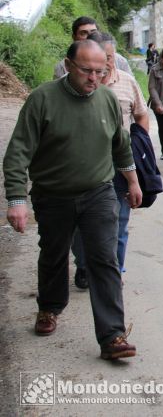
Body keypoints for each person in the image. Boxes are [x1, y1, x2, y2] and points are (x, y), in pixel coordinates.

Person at [3, 39, 141, 360]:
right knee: (53, 253)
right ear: (68, 65)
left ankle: (113, 336)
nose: (94, 77)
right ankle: (49, 308)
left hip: (98, 192)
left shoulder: (106, 99)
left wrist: (133, 181)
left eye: (100, 71)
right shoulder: (42, 99)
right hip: (53, 195)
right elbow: (18, 152)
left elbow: (120, 145)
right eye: (87, 71)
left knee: (103, 260)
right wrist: (16, 198)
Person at [71, 33, 151, 286]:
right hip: (84, 166)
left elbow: (141, 114)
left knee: (119, 220)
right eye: (103, 58)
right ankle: (84, 265)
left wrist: (139, 145)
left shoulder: (127, 82)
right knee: (81, 223)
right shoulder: (73, 85)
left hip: (120, 164)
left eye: (110, 59)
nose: (106, 65)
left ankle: (114, 271)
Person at [53, 16, 132, 79]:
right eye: (83, 33)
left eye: (93, 32)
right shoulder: (63, 66)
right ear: (74, 37)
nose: (90, 36)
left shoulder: (120, 61)